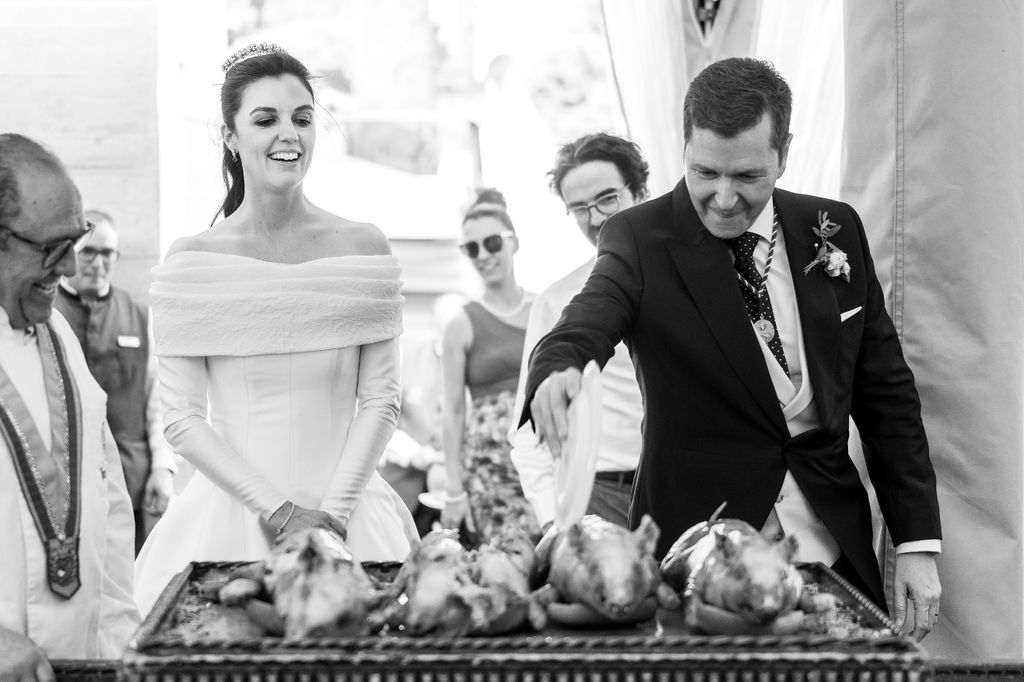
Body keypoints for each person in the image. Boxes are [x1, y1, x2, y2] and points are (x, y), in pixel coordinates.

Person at [522, 58, 941, 640]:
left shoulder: (835, 228)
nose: (722, 198)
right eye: (704, 172)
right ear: (684, 145)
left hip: (833, 543)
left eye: (746, 176)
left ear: (783, 152)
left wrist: (916, 541)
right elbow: (586, 317)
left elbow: (887, 396)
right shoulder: (639, 238)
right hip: (696, 555)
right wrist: (559, 367)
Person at [133, 43, 418, 617]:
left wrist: (332, 518)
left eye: (302, 118)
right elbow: (183, 420)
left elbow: (382, 399)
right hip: (231, 513)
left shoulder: (364, 248)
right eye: (265, 119)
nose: (288, 134)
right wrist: (281, 514)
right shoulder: (193, 262)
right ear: (231, 137)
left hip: (352, 509)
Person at [0, 133, 139, 677]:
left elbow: (108, 504)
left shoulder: (58, 333)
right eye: (51, 247)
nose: (70, 267)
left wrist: (122, 643)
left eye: (74, 240)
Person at [509, 132, 649, 529]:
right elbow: (528, 431)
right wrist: (553, 520)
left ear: (639, 191)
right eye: (579, 208)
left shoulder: (690, 280)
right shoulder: (555, 301)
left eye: (608, 197)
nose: (597, 218)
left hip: (682, 489)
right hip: (596, 496)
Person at [54, 210, 177, 555]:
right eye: (88, 251)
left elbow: (158, 402)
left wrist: (162, 468)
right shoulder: (46, 312)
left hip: (131, 481)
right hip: (64, 485)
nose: (97, 262)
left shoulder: (140, 316)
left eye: (107, 252)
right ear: (71, 252)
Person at [439, 189, 540, 547]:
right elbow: (452, 410)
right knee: (506, 563)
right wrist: (454, 488)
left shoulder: (547, 310)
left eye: (492, 242)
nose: (483, 255)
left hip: (544, 465)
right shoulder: (461, 324)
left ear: (514, 243)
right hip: (490, 477)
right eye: (471, 248)